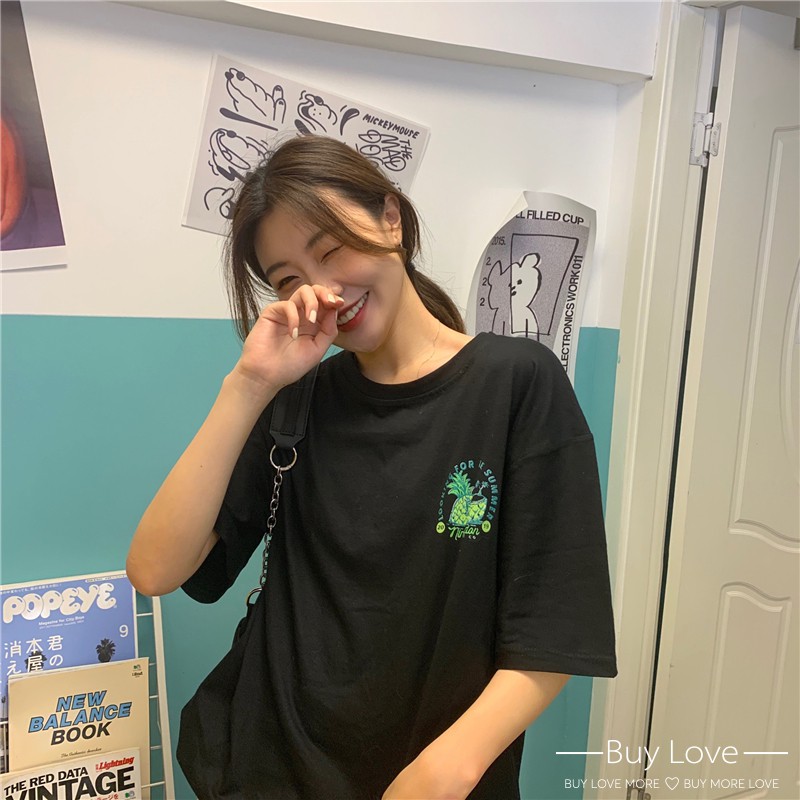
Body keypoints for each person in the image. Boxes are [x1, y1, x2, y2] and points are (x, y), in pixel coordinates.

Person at [127, 135, 618, 800]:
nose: (324, 291)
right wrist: (248, 385)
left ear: (391, 219)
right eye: (289, 279)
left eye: (331, 249)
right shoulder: (296, 402)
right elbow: (154, 570)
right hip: (273, 770)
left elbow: (553, 626)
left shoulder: (516, 383)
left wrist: (450, 768)